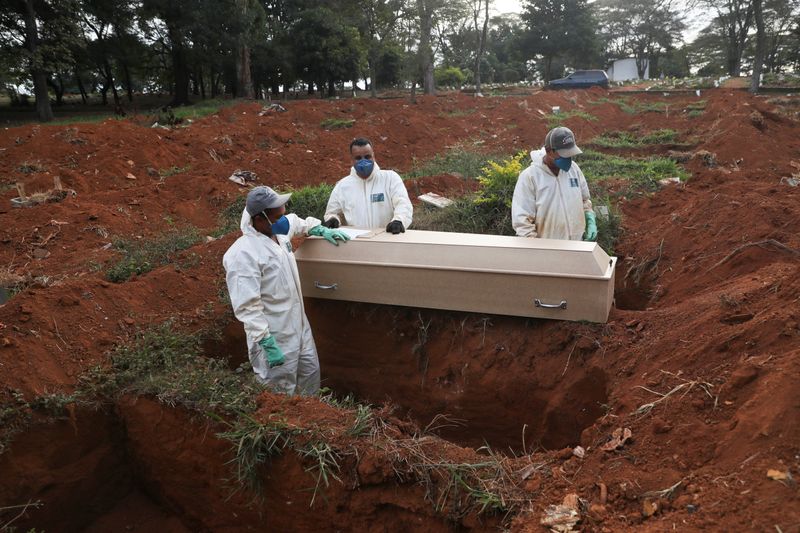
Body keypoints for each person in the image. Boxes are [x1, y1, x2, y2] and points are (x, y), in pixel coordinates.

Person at [222, 186, 350, 394]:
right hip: (275, 335)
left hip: (299, 325)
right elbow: (247, 306)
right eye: (278, 216)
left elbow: (295, 222)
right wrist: (266, 341)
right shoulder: (243, 254)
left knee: (310, 376)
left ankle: (312, 421)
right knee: (280, 391)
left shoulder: (277, 234)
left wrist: (318, 229)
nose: (283, 219)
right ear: (260, 218)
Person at [511, 126, 597, 242]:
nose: (568, 158)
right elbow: (522, 221)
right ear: (549, 151)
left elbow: (584, 200)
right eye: (563, 154)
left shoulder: (574, 170)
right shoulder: (530, 177)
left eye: (570, 153)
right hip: (548, 250)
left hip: (577, 245)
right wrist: (535, 247)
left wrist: (590, 218)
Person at [322, 137, 413, 234]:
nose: (363, 161)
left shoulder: (390, 178)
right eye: (358, 158)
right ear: (351, 160)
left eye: (367, 157)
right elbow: (332, 212)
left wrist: (399, 220)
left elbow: (403, 204)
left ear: (373, 156)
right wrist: (333, 219)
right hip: (357, 243)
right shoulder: (342, 186)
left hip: (387, 239)